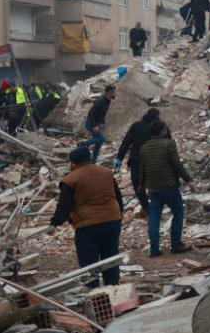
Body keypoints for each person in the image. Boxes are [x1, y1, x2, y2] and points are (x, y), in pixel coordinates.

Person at [51, 147, 123, 288]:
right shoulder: (106, 173)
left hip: (87, 226)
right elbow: (118, 197)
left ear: (73, 163)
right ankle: (114, 290)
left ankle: (95, 295)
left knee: (89, 264)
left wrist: (56, 221)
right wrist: (119, 215)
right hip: (112, 222)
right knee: (111, 259)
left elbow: (64, 206)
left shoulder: (70, 180)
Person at [137, 120, 194, 256]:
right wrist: (188, 180)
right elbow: (177, 165)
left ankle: (154, 249)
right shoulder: (169, 144)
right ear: (163, 130)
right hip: (169, 187)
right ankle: (176, 244)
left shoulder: (144, 147)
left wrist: (141, 184)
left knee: (154, 217)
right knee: (178, 212)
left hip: (153, 189)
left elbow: (142, 168)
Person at [114, 108, 159, 217]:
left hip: (136, 160)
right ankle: (154, 207)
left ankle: (146, 208)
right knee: (154, 184)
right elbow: (168, 141)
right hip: (153, 161)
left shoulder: (136, 125)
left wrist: (119, 158)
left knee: (137, 185)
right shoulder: (158, 127)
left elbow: (126, 142)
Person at [83, 84, 115, 162]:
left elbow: (103, 113)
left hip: (97, 124)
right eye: (114, 92)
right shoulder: (100, 101)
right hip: (91, 123)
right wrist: (94, 126)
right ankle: (83, 144)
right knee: (102, 139)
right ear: (109, 92)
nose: (115, 94)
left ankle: (93, 161)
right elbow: (91, 113)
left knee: (98, 144)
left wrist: (103, 122)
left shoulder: (108, 101)